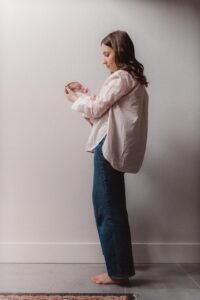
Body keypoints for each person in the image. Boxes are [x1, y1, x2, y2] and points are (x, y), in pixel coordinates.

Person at [65, 30, 149, 285]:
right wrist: (83, 96)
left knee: (107, 210)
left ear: (119, 52)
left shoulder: (120, 77)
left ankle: (118, 272)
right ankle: (120, 269)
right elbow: (103, 114)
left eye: (106, 53)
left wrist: (74, 98)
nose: (103, 60)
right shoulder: (131, 79)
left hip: (107, 149)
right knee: (112, 208)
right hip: (111, 147)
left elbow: (96, 109)